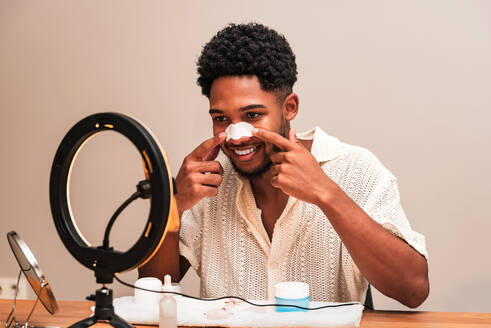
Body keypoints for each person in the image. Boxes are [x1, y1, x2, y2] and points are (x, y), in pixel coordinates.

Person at [139, 23, 429, 308]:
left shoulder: (355, 169)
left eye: (252, 115)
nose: (236, 136)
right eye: (221, 119)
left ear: (289, 107)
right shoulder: (209, 182)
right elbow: (153, 294)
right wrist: (172, 206)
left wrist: (325, 193)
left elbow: (413, 290)